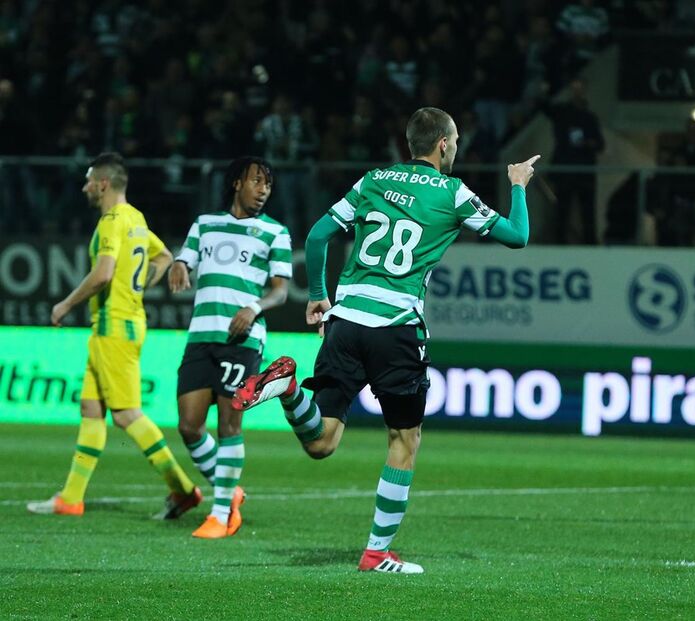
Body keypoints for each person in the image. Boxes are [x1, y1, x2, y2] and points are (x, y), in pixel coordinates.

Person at [232, 107, 539, 573]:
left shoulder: (373, 180)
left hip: (345, 320)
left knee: (322, 442)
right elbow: (517, 236)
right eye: (455, 142)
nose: (456, 148)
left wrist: (316, 295)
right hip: (396, 326)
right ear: (443, 144)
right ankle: (376, 552)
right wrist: (517, 184)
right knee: (404, 439)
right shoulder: (453, 192)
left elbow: (317, 236)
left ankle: (290, 390)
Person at [27, 152, 201, 518]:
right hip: (124, 323)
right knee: (91, 408)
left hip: (113, 326)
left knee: (125, 415)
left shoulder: (110, 222)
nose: (85, 187)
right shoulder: (135, 218)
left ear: (103, 184)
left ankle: (183, 489)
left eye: (89, 181)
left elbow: (104, 273)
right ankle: (71, 498)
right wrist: (137, 288)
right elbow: (163, 257)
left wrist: (65, 305)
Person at [168, 156, 292, 538]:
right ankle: (230, 491)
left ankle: (221, 515)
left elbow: (280, 292)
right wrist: (178, 265)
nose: (263, 190)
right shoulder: (205, 224)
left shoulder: (275, 232)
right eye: (257, 181)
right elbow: (184, 260)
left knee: (228, 425)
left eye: (268, 185)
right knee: (189, 426)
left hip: (242, 340)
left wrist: (254, 308)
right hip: (201, 335)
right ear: (237, 182)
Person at [543, 78, 604, 244]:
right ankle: (560, 242)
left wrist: (588, 143)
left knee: (587, 210)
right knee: (562, 208)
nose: (577, 92)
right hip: (565, 169)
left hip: (584, 171)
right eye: (574, 88)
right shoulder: (563, 113)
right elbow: (545, 108)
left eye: (580, 89)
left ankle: (589, 242)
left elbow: (600, 144)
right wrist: (545, 91)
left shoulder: (590, 118)